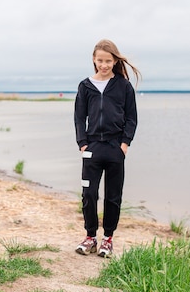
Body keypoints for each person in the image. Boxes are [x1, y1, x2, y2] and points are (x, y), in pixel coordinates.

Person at [74, 39, 141, 258]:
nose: (104, 65)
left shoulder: (123, 86)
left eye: (108, 61)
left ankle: (108, 239)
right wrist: (82, 143)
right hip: (92, 148)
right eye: (100, 60)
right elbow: (79, 118)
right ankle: (90, 237)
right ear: (94, 60)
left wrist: (125, 143)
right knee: (89, 194)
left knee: (113, 197)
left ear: (114, 61)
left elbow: (131, 117)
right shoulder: (85, 86)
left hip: (115, 149)